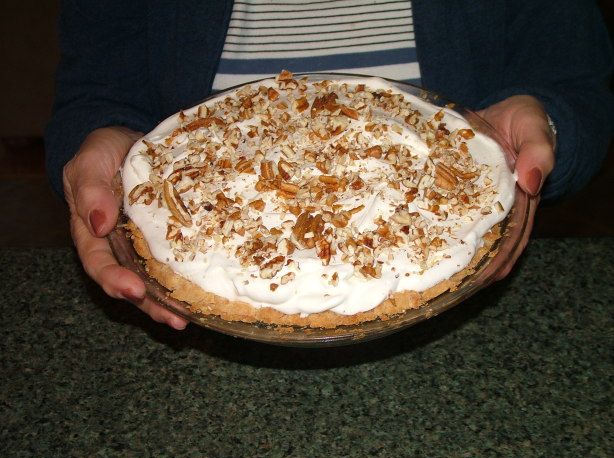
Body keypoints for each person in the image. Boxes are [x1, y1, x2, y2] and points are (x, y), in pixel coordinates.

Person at [46, 1, 613, 330]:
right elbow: (96, 85)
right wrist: (102, 136)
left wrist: (549, 120)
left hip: (472, 312)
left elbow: (574, 73)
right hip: (200, 284)